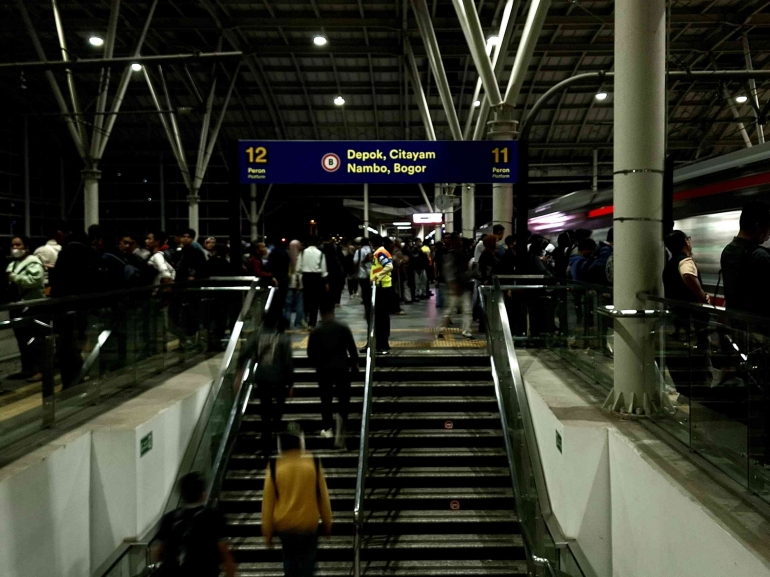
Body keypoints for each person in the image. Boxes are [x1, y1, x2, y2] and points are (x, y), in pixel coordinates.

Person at [262, 426, 333, 577]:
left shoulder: (275, 465)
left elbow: (268, 503)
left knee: (290, 563)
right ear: (300, 441)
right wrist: (328, 522)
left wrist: (267, 532)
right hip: (308, 524)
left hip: (286, 526)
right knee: (308, 564)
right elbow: (323, 496)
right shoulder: (313, 461)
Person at [155, 472, 236, 577]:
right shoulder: (214, 517)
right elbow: (225, 553)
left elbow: (159, 552)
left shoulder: (169, 518)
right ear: (203, 494)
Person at [240, 312, 294, 458]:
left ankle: (266, 446)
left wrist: (239, 374)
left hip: (262, 378)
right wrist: (291, 383)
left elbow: (245, 354)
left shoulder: (256, 337)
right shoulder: (283, 338)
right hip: (279, 379)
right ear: (276, 322)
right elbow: (288, 362)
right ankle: (275, 428)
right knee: (279, 407)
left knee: (265, 412)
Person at [308, 306, 358, 448]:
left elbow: (310, 353)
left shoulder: (316, 331)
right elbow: (352, 348)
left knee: (326, 399)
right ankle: (341, 427)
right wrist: (354, 364)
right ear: (333, 311)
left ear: (321, 313)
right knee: (343, 399)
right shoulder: (343, 327)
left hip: (324, 370)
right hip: (342, 368)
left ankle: (328, 428)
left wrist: (316, 364)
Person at [6, 236, 45, 382]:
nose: (15, 248)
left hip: (32, 305)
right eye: (13, 245)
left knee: (34, 339)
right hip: (17, 306)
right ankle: (27, 369)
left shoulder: (33, 262)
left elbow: (35, 280)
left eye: (18, 245)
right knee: (22, 340)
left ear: (26, 247)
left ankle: (40, 369)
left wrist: (15, 278)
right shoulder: (13, 264)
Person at [721, 201, 770, 316]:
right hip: (757, 323)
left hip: (734, 320)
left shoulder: (727, 251)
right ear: (758, 227)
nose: (769, 235)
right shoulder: (760, 256)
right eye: (769, 228)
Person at [438, 233, 473, 340]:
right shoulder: (451, 254)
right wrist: (452, 284)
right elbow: (448, 271)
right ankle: (441, 329)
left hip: (462, 285)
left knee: (466, 310)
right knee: (450, 310)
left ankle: (466, 331)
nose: (460, 242)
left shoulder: (460, 253)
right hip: (454, 287)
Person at [663, 231, 709, 304]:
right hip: (690, 309)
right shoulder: (685, 261)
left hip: (674, 308)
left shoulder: (670, 264)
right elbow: (688, 276)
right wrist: (701, 295)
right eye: (689, 239)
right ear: (686, 241)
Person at [297, 236, 328, 330]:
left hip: (306, 277)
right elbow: (323, 270)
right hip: (317, 277)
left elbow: (298, 268)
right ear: (317, 243)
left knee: (305, 300)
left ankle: (304, 319)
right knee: (315, 301)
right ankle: (312, 323)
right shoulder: (320, 253)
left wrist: (298, 280)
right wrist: (326, 282)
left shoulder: (302, 253)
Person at [370, 235, 393, 354]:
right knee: (381, 317)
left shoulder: (380, 253)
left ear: (371, 243)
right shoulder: (380, 252)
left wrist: (377, 277)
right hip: (382, 287)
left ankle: (383, 345)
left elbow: (389, 266)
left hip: (382, 288)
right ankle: (381, 344)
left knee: (382, 318)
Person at [285, 240, 306, 328]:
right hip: (299, 283)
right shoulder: (302, 256)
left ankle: (286, 322)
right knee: (299, 304)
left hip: (289, 282)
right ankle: (298, 322)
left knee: (288, 305)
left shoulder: (287, 256)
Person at [321, 234, 345, 307]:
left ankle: (326, 301)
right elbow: (341, 258)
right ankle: (336, 301)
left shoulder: (320, 248)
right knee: (336, 286)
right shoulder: (335, 247)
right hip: (335, 270)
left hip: (324, 270)